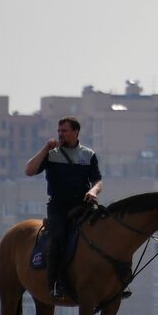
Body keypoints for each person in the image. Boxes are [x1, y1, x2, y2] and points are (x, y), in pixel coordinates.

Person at [25, 116, 103, 300]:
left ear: (75, 132)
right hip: (58, 206)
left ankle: (111, 282)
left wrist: (93, 191)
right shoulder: (51, 155)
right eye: (59, 131)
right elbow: (29, 171)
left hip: (82, 205)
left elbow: (97, 181)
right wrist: (45, 149)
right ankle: (54, 283)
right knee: (58, 237)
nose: (60, 134)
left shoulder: (88, 155)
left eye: (64, 131)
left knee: (102, 231)